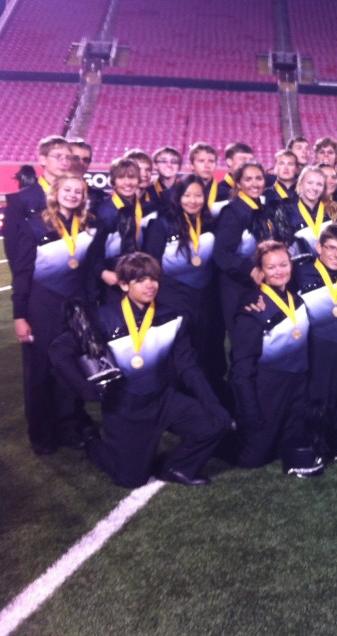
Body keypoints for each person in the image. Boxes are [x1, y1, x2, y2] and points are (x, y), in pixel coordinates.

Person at [51, 253, 231, 487]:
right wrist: (84, 388)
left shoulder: (172, 316)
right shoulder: (102, 318)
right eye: (140, 280)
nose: (150, 285)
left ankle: (177, 467)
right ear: (124, 284)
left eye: (153, 279)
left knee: (215, 423)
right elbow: (58, 350)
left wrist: (213, 404)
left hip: (162, 399)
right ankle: (91, 441)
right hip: (126, 409)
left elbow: (188, 366)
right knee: (130, 480)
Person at [12, 174, 95, 454]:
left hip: (74, 306)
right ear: (55, 192)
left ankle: (68, 429)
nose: (72, 195)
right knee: (39, 372)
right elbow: (22, 274)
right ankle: (41, 436)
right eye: (67, 190)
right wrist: (20, 315)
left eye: (78, 191)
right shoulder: (35, 224)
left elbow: (86, 270)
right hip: (41, 305)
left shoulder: (86, 225)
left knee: (69, 369)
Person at [230, 241, 313, 473]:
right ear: (261, 272)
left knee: (289, 445)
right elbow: (241, 370)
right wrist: (250, 411)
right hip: (268, 388)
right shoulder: (252, 308)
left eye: (284, 265)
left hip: (297, 384)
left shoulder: (297, 300)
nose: (279, 271)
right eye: (272, 267)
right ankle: (225, 431)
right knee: (253, 458)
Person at [142, 175, 224, 392]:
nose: (193, 201)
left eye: (198, 195)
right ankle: (173, 394)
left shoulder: (211, 222)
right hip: (172, 294)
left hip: (204, 294)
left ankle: (197, 393)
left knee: (201, 345)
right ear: (178, 198)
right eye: (187, 195)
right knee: (177, 347)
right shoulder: (162, 224)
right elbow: (151, 262)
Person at [294, 223, 337, 462]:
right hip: (317, 346)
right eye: (331, 248)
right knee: (319, 394)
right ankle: (316, 443)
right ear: (318, 247)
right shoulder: (300, 273)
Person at [213, 162, 275, 325]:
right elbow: (221, 254)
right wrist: (250, 268)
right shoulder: (232, 211)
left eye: (259, 178)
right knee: (245, 338)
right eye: (248, 179)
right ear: (239, 183)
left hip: (259, 281)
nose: (254, 183)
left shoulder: (261, 208)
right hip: (237, 285)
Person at [2, 135, 72, 266]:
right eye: (57, 157)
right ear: (43, 160)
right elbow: (12, 246)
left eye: (68, 157)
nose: (64, 162)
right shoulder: (21, 200)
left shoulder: (76, 197)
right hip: (38, 275)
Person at [87, 157, 146, 306]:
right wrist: (102, 272)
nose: (127, 183)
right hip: (112, 279)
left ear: (139, 179)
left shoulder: (146, 208)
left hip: (141, 275)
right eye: (121, 177)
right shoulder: (102, 212)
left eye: (132, 177)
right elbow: (92, 252)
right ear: (113, 181)